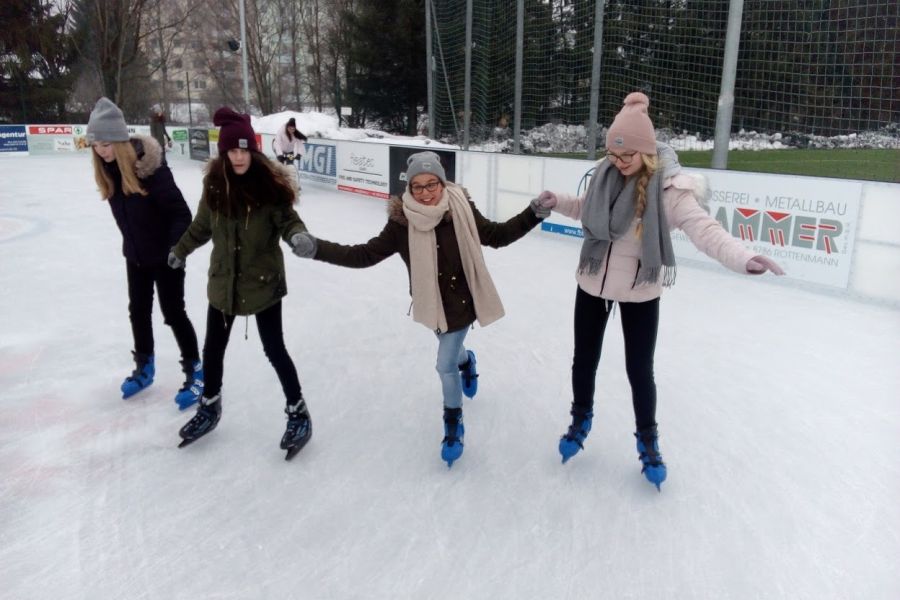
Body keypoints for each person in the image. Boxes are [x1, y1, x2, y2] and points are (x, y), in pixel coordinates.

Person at [538, 92, 784, 490]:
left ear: (645, 151)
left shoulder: (669, 190)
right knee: (584, 360)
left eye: (627, 156)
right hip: (593, 281)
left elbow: (705, 229)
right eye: (613, 155)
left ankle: (648, 441)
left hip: (640, 290)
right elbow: (587, 209)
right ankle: (580, 418)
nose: (618, 163)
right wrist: (558, 202)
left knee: (640, 371)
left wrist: (743, 258)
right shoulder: (605, 174)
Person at [290, 151, 551, 467]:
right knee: (452, 354)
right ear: (408, 188)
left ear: (442, 182)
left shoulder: (460, 209)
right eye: (418, 186)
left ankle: (453, 423)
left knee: (443, 365)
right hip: (432, 305)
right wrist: (317, 248)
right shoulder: (401, 224)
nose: (426, 192)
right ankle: (467, 361)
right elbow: (363, 255)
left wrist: (533, 213)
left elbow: (496, 236)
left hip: (464, 302)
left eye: (432, 184)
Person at [168, 107, 313, 460]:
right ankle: (210, 405)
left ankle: (298, 411)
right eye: (232, 150)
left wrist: (298, 237)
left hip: (262, 282)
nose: (238, 157)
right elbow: (202, 225)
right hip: (223, 282)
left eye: (244, 150)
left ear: (254, 151)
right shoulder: (215, 185)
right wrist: (181, 249)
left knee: (274, 350)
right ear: (224, 152)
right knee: (213, 349)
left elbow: (287, 221)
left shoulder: (269, 187)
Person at [87, 97, 203, 410]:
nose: (101, 150)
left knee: (173, 313)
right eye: (96, 144)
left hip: (167, 256)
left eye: (106, 143)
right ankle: (145, 366)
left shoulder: (152, 171)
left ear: (121, 139)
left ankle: (196, 371)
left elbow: (182, 214)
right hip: (135, 255)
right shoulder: (109, 172)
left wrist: (174, 250)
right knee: (137, 311)